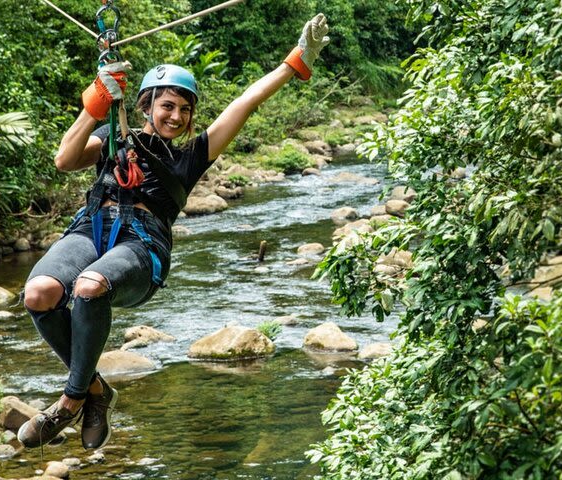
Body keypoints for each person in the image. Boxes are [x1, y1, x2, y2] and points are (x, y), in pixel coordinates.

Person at [17, 13, 330, 450]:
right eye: (168, 106)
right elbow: (64, 159)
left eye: (185, 109)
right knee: (39, 294)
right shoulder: (114, 138)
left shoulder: (190, 157)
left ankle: (70, 402)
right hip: (91, 227)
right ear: (146, 106)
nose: (177, 116)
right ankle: (98, 391)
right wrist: (96, 104)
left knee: (89, 287)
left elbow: (244, 103)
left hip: (143, 244)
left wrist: (296, 61)